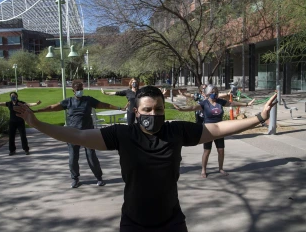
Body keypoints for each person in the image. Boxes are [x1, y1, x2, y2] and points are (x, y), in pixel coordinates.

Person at [14, 85, 276, 232]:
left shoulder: (176, 131)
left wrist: (260, 118)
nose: (154, 113)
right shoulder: (122, 135)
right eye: (148, 109)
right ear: (137, 112)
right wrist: (36, 123)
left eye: (159, 109)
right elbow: (78, 135)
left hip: (172, 222)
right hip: (133, 224)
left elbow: (217, 129)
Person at [33, 81, 126, 188]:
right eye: (78, 90)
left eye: (81, 89)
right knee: (73, 157)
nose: (80, 91)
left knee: (91, 156)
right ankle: (75, 179)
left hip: (88, 133)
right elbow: (52, 108)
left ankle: (99, 178)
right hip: (72, 134)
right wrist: (37, 111)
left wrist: (119, 108)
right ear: (73, 91)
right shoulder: (69, 102)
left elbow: (103, 104)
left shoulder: (88, 100)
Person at [173, 84, 255, 178]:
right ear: (208, 93)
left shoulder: (220, 101)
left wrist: (247, 104)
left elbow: (232, 103)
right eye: (212, 92)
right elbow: (193, 108)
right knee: (207, 151)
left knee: (221, 150)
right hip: (208, 130)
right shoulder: (204, 103)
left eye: (216, 92)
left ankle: (221, 168)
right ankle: (203, 170)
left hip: (220, 130)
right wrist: (181, 109)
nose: (214, 94)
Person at [0, 92, 41, 156]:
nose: (13, 97)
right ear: (10, 97)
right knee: (11, 137)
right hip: (12, 122)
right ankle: (12, 150)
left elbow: (28, 104)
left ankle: (26, 149)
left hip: (20, 122)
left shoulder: (20, 103)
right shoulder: (9, 104)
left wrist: (36, 103)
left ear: (17, 96)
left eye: (14, 96)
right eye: (12, 96)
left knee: (23, 136)